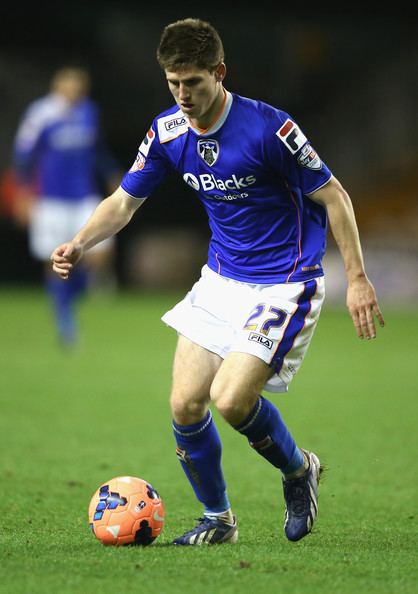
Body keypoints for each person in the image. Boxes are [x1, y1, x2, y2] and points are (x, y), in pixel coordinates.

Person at [51, 19, 385, 544]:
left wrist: (360, 279)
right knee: (185, 403)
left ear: (219, 73)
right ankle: (218, 519)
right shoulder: (167, 132)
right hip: (220, 281)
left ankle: (299, 471)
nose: (183, 94)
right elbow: (123, 202)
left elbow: (335, 197)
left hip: (284, 282)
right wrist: (80, 242)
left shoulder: (270, 130)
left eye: (193, 83)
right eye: (173, 83)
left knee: (231, 401)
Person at [12, 66, 121, 346]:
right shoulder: (41, 114)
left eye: (79, 87)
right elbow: (23, 156)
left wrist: (111, 174)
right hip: (51, 200)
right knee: (56, 262)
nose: (75, 92)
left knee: (100, 254)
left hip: (83, 195)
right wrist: (22, 195)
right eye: (70, 87)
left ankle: (73, 295)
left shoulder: (88, 112)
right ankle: (65, 321)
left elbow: (97, 150)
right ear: (58, 88)